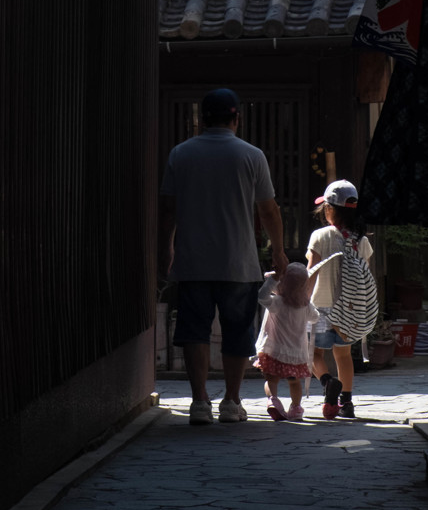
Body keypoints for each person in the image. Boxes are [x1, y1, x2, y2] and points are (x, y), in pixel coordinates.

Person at [159, 88, 289, 426]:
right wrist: (278, 250)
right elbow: (269, 209)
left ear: (202, 119)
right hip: (238, 261)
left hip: (193, 260)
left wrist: (166, 247)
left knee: (194, 331)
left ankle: (200, 402)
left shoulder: (180, 154)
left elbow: (169, 209)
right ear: (237, 118)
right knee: (236, 332)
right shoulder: (251, 155)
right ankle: (232, 402)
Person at [306, 179, 373, 419]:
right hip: (349, 309)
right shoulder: (362, 241)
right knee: (343, 356)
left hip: (320, 306)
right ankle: (346, 403)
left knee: (314, 354)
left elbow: (311, 272)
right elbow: (365, 276)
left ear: (329, 209)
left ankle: (326, 383)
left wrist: (302, 301)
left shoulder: (320, 236)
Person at [253, 263, 320, 422]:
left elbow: (261, 296)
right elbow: (316, 317)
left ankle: (273, 401)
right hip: (296, 354)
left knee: (271, 379)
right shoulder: (305, 306)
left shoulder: (277, 302)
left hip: (274, 350)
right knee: (294, 382)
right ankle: (296, 408)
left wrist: (272, 281)